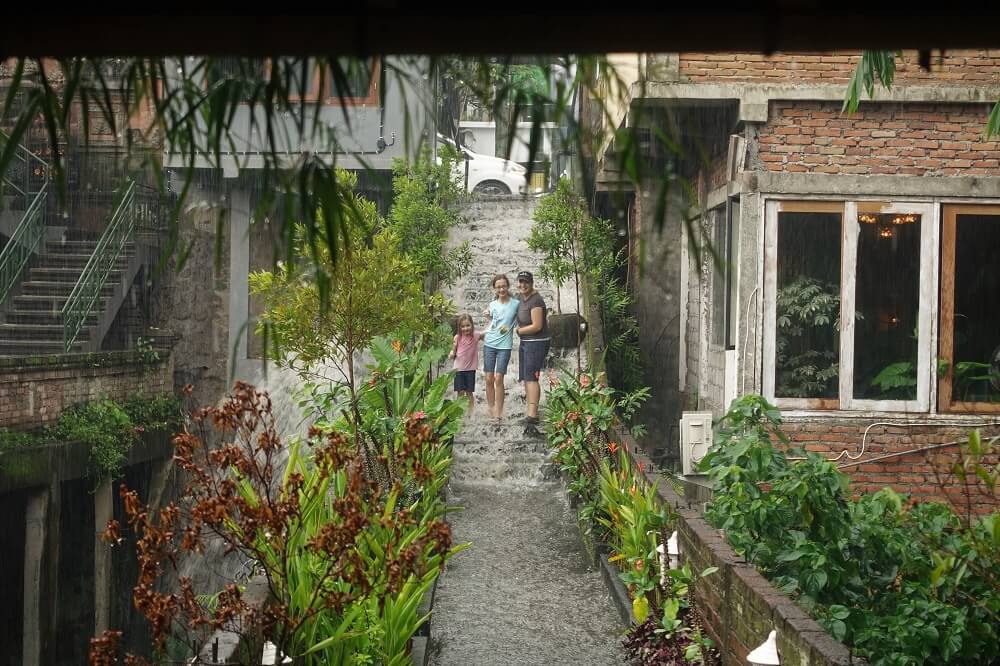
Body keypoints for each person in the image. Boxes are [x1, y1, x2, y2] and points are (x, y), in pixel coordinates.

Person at [514, 271, 549, 436]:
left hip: (537, 343)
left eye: (526, 282)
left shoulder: (536, 301)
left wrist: (519, 330)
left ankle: (533, 416)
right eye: (520, 282)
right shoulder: (521, 297)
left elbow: (537, 326)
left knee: (532, 378)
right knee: (527, 377)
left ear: (532, 282)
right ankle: (531, 413)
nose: (523, 285)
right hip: (526, 342)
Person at [481, 274, 519, 422]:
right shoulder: (492, 305)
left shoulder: (516, 304)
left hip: (505, 346)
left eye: (503, 286)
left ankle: (499, 411)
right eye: (498, 287)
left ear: (508, 286)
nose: (501, 289)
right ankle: (491, 408)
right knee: (489, 378)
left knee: (499, 378)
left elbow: (523, 317)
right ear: (494, 289)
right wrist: (488, 318)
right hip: (489, 344)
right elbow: (493, 324)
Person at [449, 313, 478, 412]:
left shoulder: (475, 336)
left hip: (470, 370)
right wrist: (451, 354)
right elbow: (453, 350)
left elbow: (487, 332)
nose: (465, 328)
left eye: (468, 325)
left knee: (469, 392)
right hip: (458, 370)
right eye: (463, 326)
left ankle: (471, 413)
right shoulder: (457, 337)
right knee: (460, 392)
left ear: (472, 325)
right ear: (459, 327)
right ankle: (458, 412)